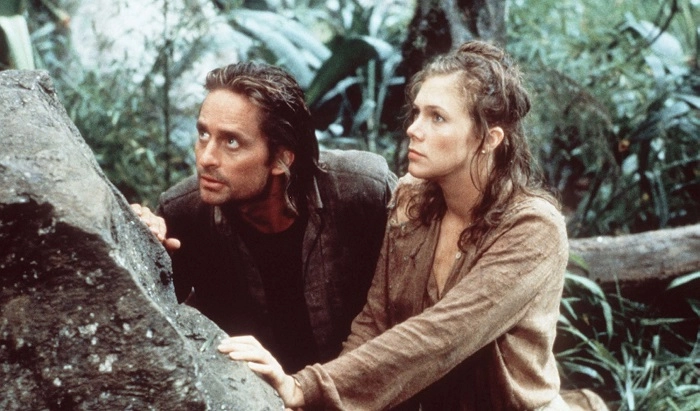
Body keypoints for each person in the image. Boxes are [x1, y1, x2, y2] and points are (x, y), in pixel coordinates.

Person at [217, 41, 609, 410]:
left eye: (437, 117)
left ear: (489, 139)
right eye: (417, 112)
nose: (414, 129)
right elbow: (375, 321)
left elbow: (445, 334)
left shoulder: (533, 226)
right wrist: (324, 399)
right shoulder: (412, 200)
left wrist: (307, 386)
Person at [132, 61, 397, 374]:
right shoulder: (184, 214)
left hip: (366, 385)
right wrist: (139, 248)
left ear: (281, 159)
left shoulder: (363, 191)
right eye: (203, 134)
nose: (206, 158)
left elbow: (416, 305)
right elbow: (142, 330)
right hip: (253, 393)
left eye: (231, 142)